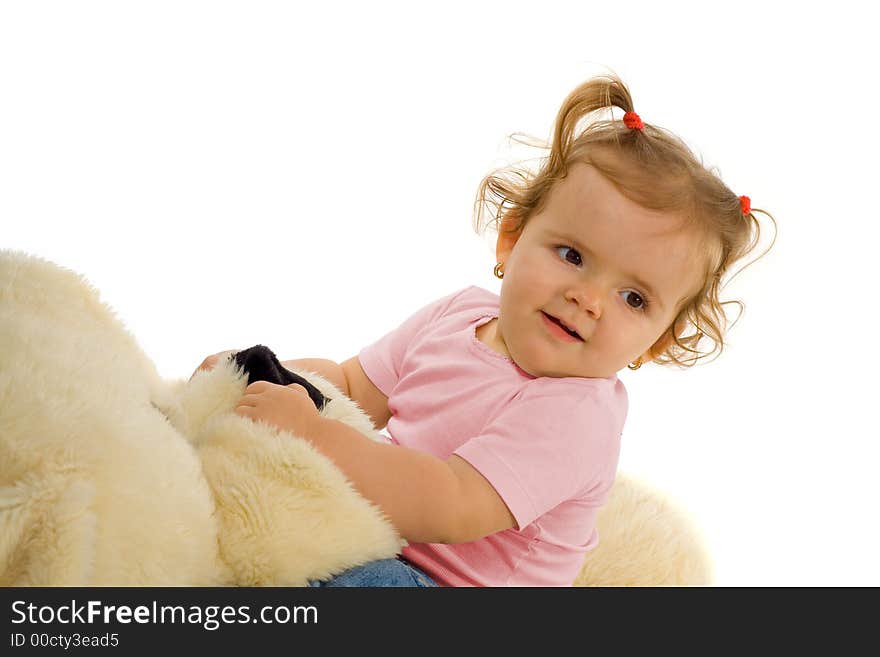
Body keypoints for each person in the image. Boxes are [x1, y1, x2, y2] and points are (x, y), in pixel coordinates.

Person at [193, 73, 776, 587]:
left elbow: (453, 502)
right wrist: (257, 376)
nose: (588, 299)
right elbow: (354, 385)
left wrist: (315, 437)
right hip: (376, 534)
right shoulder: (460, 316)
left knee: (343, 577)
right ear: (512, 237)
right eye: (572, 255)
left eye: (633, 297)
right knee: (230, 490)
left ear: (658, 339)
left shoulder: (576, 415)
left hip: (435, 585)